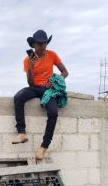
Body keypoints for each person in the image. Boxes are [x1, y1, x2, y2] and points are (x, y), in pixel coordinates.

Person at [12, 30, 69, 160]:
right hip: (35, 88)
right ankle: (21, 133)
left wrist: (54, 81)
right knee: (18, 97)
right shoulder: (27, 60)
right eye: (39, 44)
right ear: (34, 45)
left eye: (44, 44)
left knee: (53, 113)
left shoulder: (52, 55)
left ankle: (44, 146)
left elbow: (65, 72)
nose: (42, 47)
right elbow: (31, 83)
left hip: (49, 89)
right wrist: (31, 67)